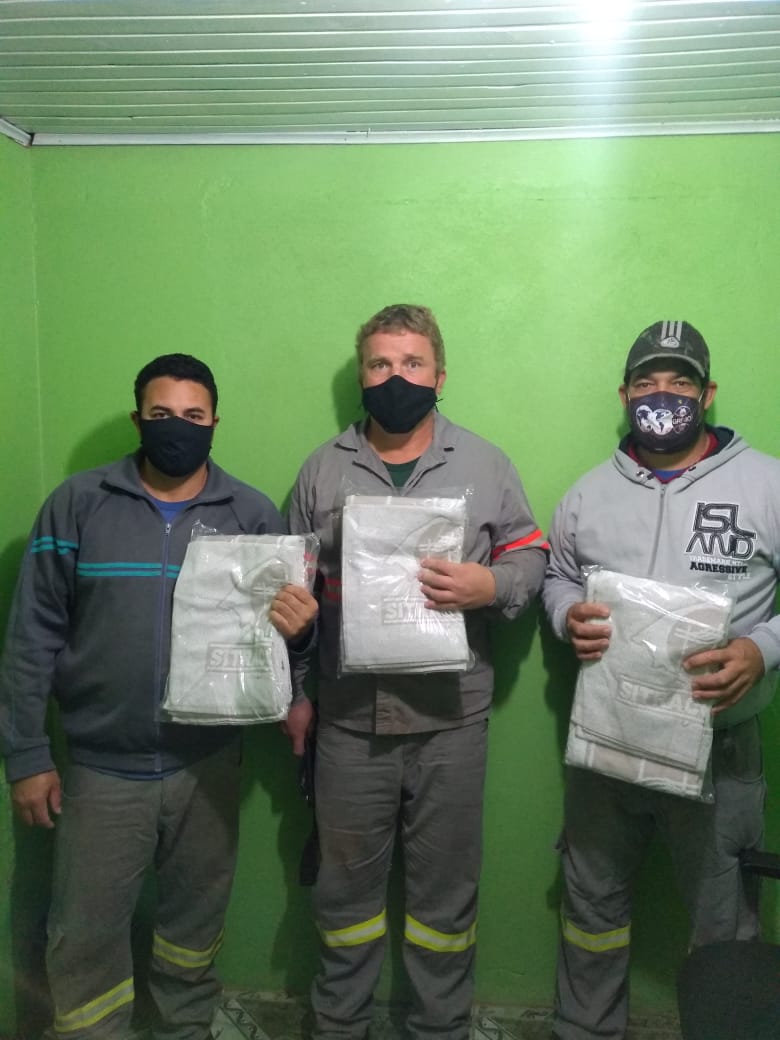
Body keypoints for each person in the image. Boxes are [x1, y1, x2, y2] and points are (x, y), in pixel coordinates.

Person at [0, 353, 317, 1040]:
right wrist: (25, 755)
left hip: (209, 766)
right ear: (138, 417)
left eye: (193, 415)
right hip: (101, 768)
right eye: (162, 413)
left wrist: (300, 637)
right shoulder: (77, 504)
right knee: (83, 936)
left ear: (215, 422)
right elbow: (31, 636)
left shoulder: (251, 513)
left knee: (192, 932)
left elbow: (278, 645)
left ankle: (184, 1028)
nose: (178, 426)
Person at [285, 303, 547, 1039]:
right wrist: (296, 690)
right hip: (348, 722)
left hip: (451, 720)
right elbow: (291, 587)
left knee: (445, 901)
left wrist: (491, 584)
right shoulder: (322, 468)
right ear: (361, 375)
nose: (394, 377)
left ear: (439, 375)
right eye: (379, 363)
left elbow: (530, 554)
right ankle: (340, 1026)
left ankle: (439, 1028)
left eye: (411, 363)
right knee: (343, 898)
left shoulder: (485, 464)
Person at [543, 320, 780, 1040]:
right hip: (605, 750)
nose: (663, 395)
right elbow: (557, 577)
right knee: (590, 911)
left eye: (680, 381)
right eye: (647, 382)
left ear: (708, 393)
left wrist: (762, 648)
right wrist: (565, 615)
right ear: (625, 395)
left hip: (718, 750)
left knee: (724, 930)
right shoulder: (587, 494)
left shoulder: (768, 484)